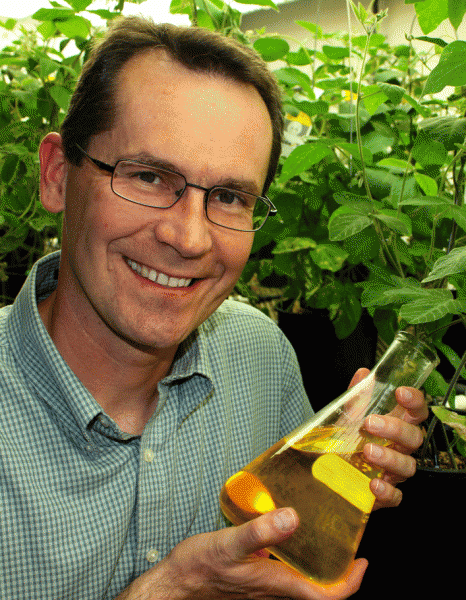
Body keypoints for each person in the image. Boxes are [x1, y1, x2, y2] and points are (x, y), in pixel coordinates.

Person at [0, 17, 428, 600]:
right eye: (149, 176)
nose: (189, 237)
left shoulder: (258, 355)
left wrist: (342, 486)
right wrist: (173, 589)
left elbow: (291, 555)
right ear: (57, 176)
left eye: (228, 196)